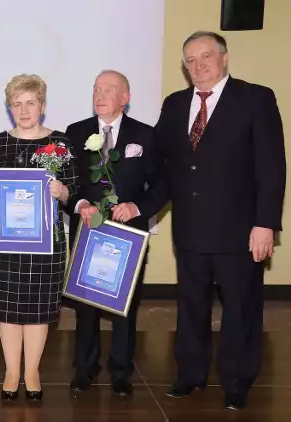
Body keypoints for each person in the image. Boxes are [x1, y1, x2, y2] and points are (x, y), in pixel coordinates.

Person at [119, 31, 286, 410]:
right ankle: (190, 375)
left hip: (241, 231)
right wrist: (133, 198)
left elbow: (272, 168)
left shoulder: (255, 98)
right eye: (191, 60)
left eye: (206, 56)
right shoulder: (175, 104)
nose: (199, 65)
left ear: (225, 58)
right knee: (191, 305)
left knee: (241, 308)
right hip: (190, 229)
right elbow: (163, 167)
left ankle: (237, 380)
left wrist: (266, 224)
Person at [0, 74, 80, 402]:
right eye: (17, 103)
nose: (23, 110)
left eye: (30, 102)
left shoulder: (60, 144)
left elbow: (76, 191)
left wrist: (61, 190)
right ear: (9, 107)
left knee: (37, 309)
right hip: (3, 242)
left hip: (45, 242)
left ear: (43, 106)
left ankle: (32, 371)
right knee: (8, 309)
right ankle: (11, 371)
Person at [65, 70, 160, 396]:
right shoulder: (75, 133)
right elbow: (69, 184)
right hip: (88, 231)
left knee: (125, 305)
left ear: (125, 98)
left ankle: (121, 371)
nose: (100, 95)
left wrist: (137, 207)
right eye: (96, 89)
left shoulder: (146, 136)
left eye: (109, 89)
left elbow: (163, 185)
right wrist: (79, 205)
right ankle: (84, 368)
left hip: (129, 232)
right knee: (86, 304)